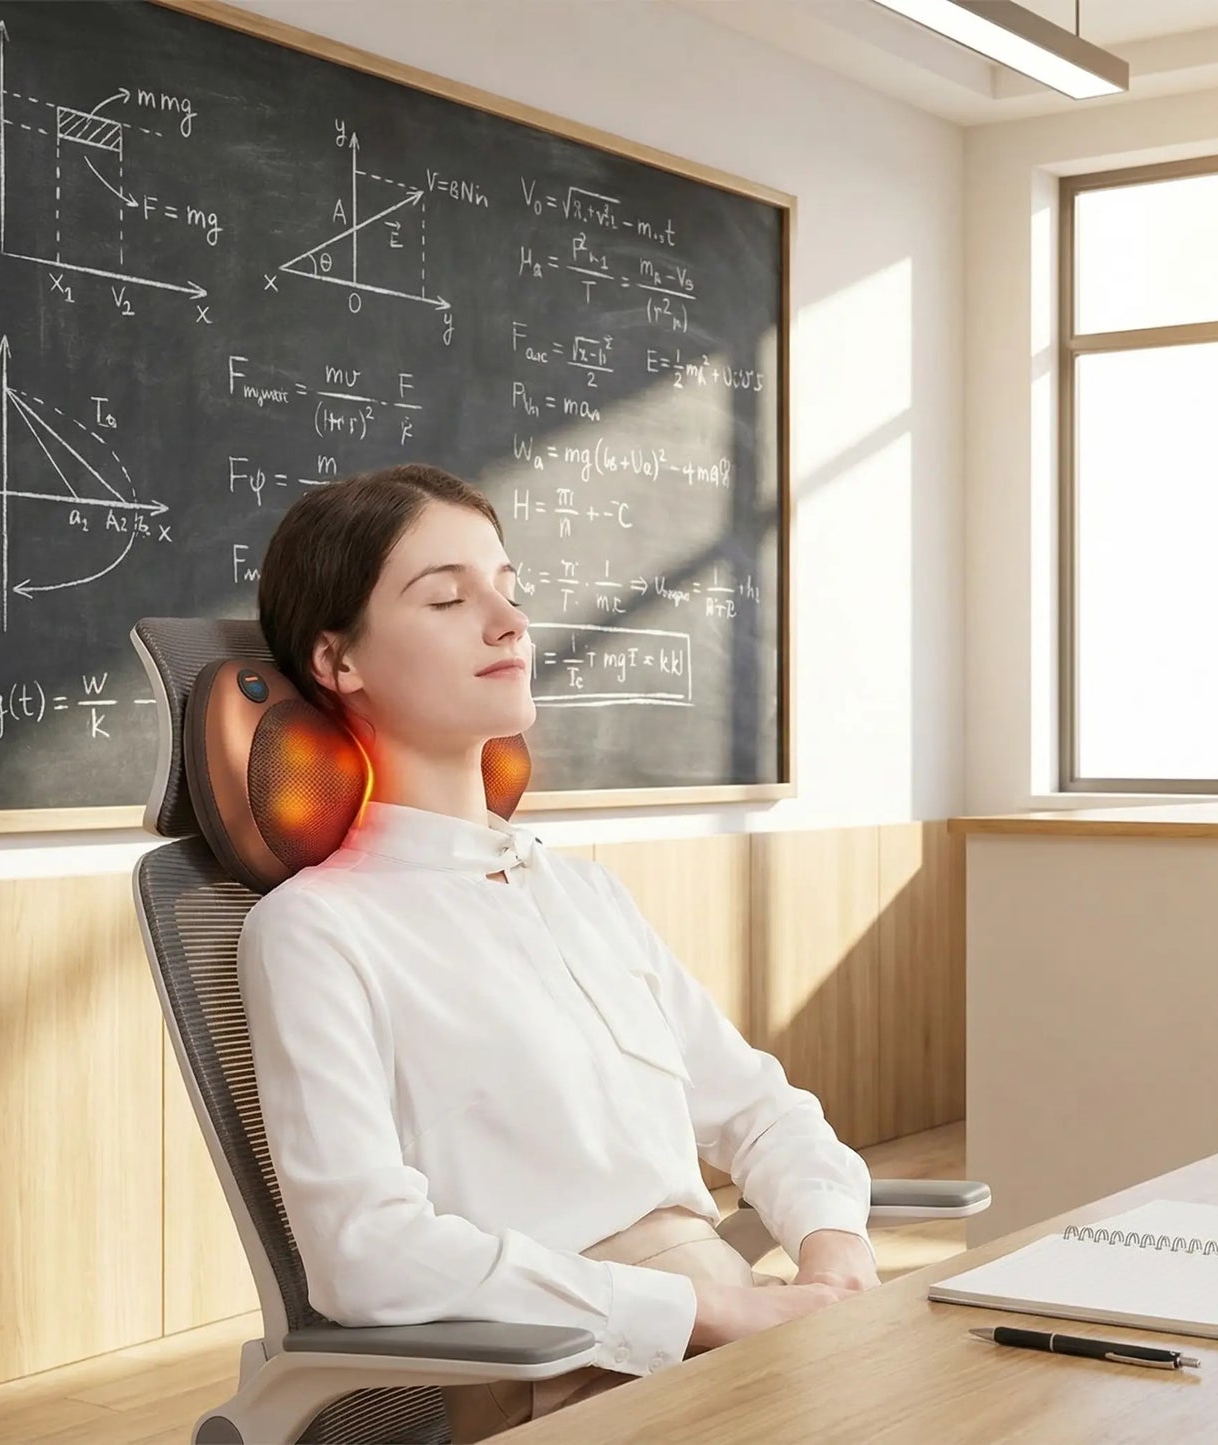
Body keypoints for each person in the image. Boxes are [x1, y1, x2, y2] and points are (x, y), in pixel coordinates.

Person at [238, 462, 880, 1440]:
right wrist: (703, 1310)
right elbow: (364, 1250)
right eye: (448, 596)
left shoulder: (581, 890)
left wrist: (833, 1248)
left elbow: (754, 1106)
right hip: (572, 1372)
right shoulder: (317, 927)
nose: (508, 621)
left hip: (744, 1326)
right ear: (338, 661)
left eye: (510, 588)